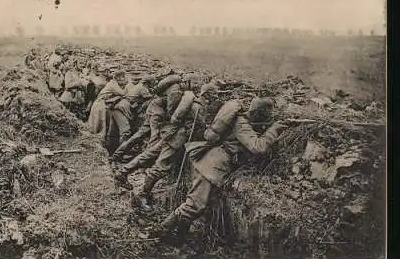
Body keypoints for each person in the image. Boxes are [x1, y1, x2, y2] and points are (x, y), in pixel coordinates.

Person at [147, 97, 288, 240]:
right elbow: (258, 147)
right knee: (195, 205)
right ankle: (160, 231)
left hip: (213, 165)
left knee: (199, 204)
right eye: (266, 114)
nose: (268, 117)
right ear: (259, 113)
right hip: (211, 166)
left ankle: (178, 237)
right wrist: (274, 129)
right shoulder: (241, 124)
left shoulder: (245, 122)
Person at [130, 73, 207, 213]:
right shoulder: (186, 98)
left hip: (175, 136)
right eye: (196, 83)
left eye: (200, 84)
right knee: (161, 166)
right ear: (189, 82)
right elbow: (176, 117)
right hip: (176, 139)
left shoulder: (190, 98)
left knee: (152, 154)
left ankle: (125, 172)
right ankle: (141, 194)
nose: (198, 86)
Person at [88, 69, 133, 155]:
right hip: (100, 105)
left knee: (103, 126)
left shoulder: (112, 83)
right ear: (119, 78)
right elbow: (123, 93)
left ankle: (103, 147)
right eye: (123, 78)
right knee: (100, 126)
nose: (124, 80)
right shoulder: (113, 84)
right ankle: (98, 147)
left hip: (101, 104)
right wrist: (128, 87)